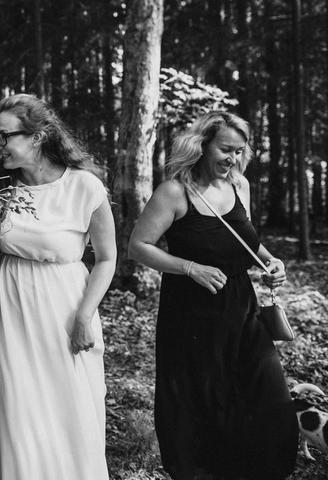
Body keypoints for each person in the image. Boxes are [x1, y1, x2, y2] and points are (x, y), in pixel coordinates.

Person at [128, 111, 297, 480]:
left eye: (239, 151)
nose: (232, 158)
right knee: (202, 399)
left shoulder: (240, 186)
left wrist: (270, 261)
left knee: (265, 395)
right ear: (202, 145)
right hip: (190, 312)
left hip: (241, 306)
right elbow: (138, 247)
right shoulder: (174, 192)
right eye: (225, 149)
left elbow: (244, 237)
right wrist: (190, 267)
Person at [0, 94, 116, 480]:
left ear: (37, 137)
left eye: (5, 136)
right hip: (9, 310)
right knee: (18, 409)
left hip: (66, 308)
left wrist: (84, 316)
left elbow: (107, 258)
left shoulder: (84, 187)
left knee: (71, 408)